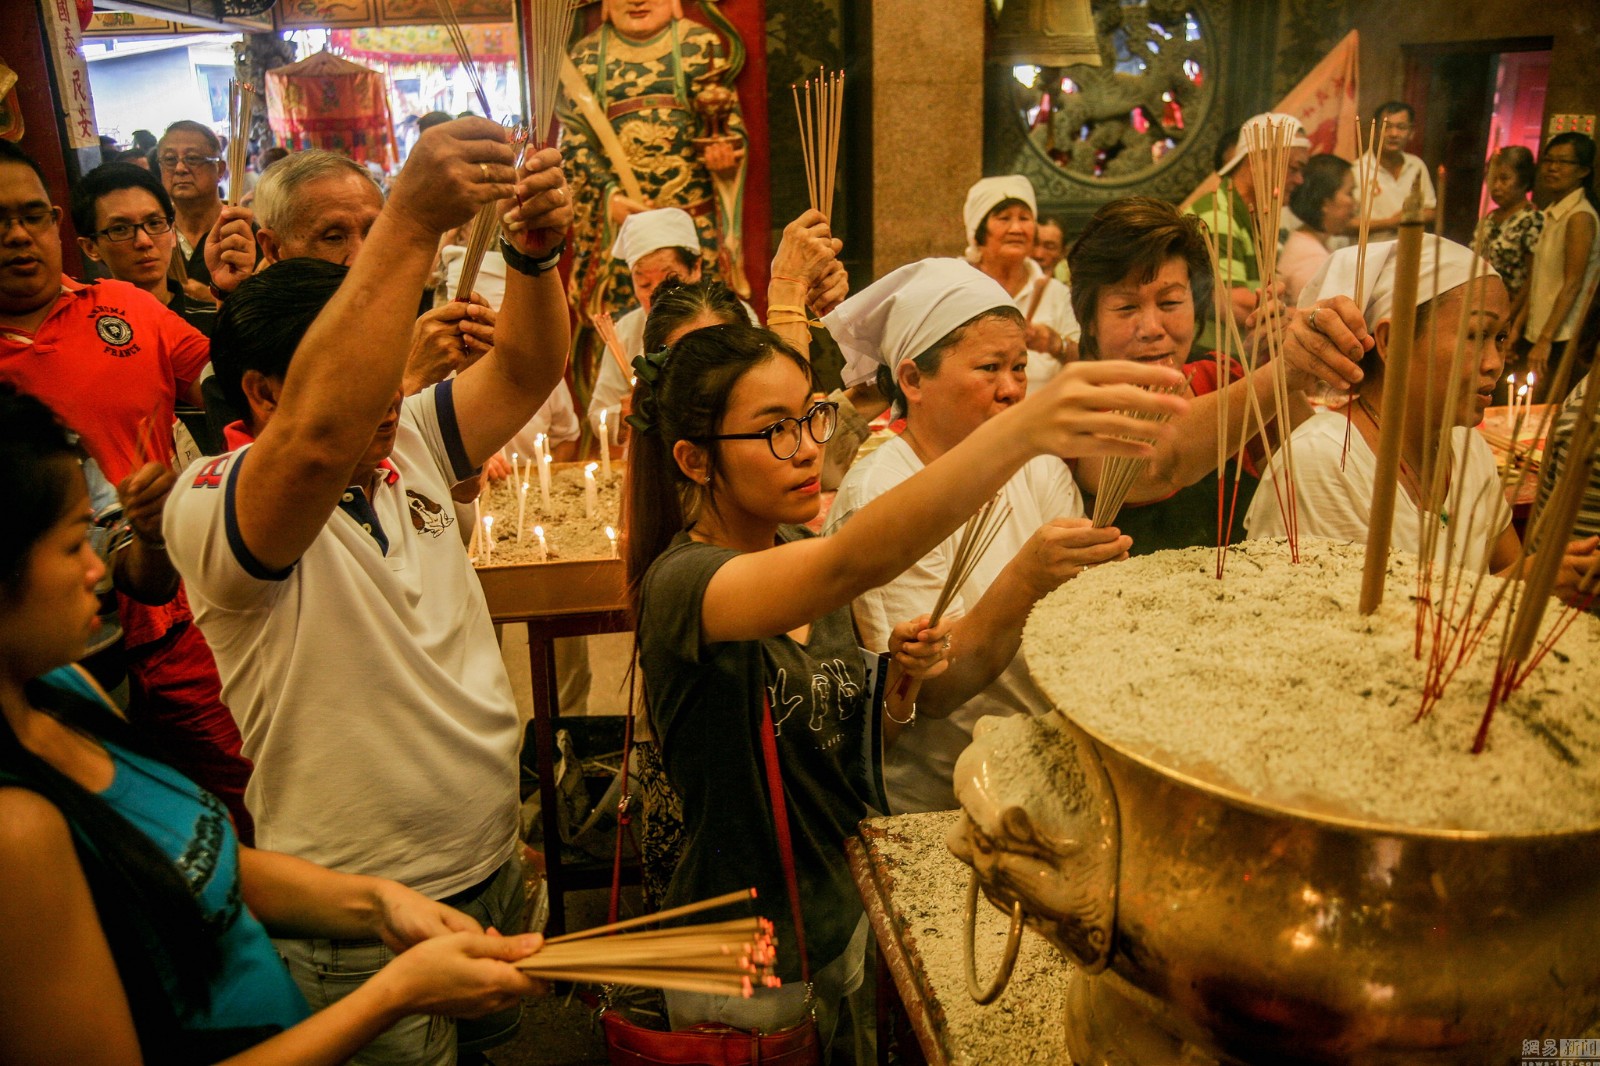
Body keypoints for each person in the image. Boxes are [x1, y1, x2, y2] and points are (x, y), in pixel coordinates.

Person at [626, 307, 1187, 1045]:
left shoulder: (795, 542)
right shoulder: (687, 584)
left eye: (812, 417)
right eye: (774, 430)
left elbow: (856, 731)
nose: (806, 451)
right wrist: (1023, 431)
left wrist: (899, 687)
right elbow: (848, 562)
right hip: (742, 958)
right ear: (696, 461)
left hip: (834, 915)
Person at [163, 117, 573, 1064]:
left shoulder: (414, 444)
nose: (389, 398)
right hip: (358, 905)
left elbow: (524, 367)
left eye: (390, 376)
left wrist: (533, 257)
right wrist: (410, 224)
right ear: (266, 395)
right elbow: (313, 444)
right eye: (360, 381)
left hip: (486, 856)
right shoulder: (214, 500)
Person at [0, 382, 545, 1063]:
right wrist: (391, 993)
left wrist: (381, 906)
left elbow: (196, 864)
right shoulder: (15, 831)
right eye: (72, 543)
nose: (94, 569)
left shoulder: (59, 689)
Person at [0, 138, 256, 841]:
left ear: (57, 225)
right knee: (97, 824)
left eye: (31, 215)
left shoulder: (122, 307)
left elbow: (236, 385)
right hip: (45, 645)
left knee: (241, 786)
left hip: (172, 606)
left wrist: (239, 301)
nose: (19, 235)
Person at [822, 259, 1127, 813]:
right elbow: (933, 690)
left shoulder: (1036, 466)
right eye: (990, 368)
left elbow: (1079, 632)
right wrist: (1029, 576)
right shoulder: (881, 494)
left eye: (1019, 367)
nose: (1012, 390)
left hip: (1046, 780)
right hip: (940, 803)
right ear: (913, 380)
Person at [1247, 237, 1598, 594]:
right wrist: (1526, 585)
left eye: (1501, 338)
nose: (1494, 363)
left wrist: (1552, 574)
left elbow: (1506, 569)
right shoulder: (1321, 464)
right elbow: (1349, 632)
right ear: (1391, 341)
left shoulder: (1466, 448)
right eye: (1475, 335)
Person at [1069, 197, 1340, 555]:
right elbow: (1164, 462)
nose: (1152, 328)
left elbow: (1304, 462)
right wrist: (1281, 372)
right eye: (1126, 307)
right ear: (1090, 320)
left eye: (1169, 303)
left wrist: (1274, 361)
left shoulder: (1219, 376)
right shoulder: (1075, 407)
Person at [202, 149, 497, 429]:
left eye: (374, 232)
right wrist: (412, 378)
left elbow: (453, 478)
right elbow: (288, 473)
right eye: (333, 237)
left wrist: (469, 379)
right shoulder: (247, 364)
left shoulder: (402, 326)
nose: (362, 258)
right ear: (274, 248)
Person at [560, 0, 748, 402]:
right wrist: (607, 197)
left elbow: (725, 124)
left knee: (702, 330)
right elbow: (574, 144)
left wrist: (724, 157)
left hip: (691, 234)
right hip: (619, 236)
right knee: (620, 338)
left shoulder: (698, 45)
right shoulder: (588, 56)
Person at [1185, 111, 1310, 352]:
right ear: (1256, 162)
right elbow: (1233, 304)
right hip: (1208, 360)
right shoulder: (1217, 215)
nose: (1300, 180)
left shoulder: (1252, 216)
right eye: (1294, 168)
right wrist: (1311, 317)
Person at [962, 175, 1079, 394]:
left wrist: (1054, 343)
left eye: (1025, 218)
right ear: (978, 233)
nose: (1017, 228)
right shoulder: (956, 287)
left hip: (1043, 421)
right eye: (1004, 218)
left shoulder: (1056, 294)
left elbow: (1088, 360)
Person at [71, 162, 217, 336]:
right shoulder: (86, 332)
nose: (144, 241)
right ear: (90, 247)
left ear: (172, 233)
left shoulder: (213, 322)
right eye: (120, 229)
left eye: (154, 223)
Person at [1517, 132, 1599, 396]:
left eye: (1563, 162)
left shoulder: (1579, 216)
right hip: (1540, 328)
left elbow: (1573, 283)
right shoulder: (1552, 212)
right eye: (1549, 160)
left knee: (1546, 408)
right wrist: (1516, 327)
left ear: (1583, 171)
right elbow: (1538, 278)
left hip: (1562, 335)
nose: (1553, 167)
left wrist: (1545, 339)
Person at [156, 120, 230, 290]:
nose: (180, 168)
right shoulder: (154, 234)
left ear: (219, 169)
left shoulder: (240, 231)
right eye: (169, 159)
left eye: (192, 159)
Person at [1353, 101, 1437, 241]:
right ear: (1375, 131)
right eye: (1387, 127)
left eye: (1401, 127)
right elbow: (1346, 224)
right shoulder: (1358, 169)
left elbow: (1430, 210)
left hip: (1408, 250)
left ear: (1411, 133)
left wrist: (1407, 218)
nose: (1394, 134)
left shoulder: (1417, 165)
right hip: (1370, 254)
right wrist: (1389, 223)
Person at [1280, 153, 1355, 305]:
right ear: (1325, 203)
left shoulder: (1308, 242)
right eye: (1349, 193)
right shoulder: (1312, 259)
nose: (1355, 202)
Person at [1474, 145, 1542, 307]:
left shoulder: (1532, 220)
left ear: (1524, 181)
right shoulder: (1488, 219)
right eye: (1491, 179)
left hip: (1509, 309)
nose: (1496, 186)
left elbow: (1533, 280)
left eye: (1504, 179)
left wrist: (1511, 319)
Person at [1031, 214, 1069, 284]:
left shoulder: (1066, 292)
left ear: (1063, 252)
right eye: (1034, 244)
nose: (1038, 255)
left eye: (1049, 247)